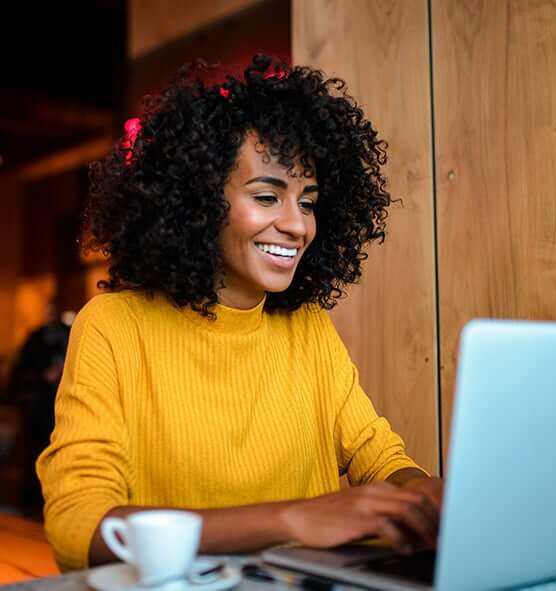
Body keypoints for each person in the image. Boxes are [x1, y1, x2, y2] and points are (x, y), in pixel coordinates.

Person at [37, 55, 442, 572]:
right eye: (268, 196)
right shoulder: (114, 326)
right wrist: (292, 520)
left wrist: (425, 496)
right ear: (199, 203)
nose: (297, 226)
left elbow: (379, 457)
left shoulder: (306, 325)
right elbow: (79, 527)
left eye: (309, 202)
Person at [6, 298, 69, 512]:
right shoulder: (34, 338)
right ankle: (32, 503)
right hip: (38, 408)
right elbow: (19, 375)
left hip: (64, 408)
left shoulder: (69, 334)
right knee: (34, 455)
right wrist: (43, 377)